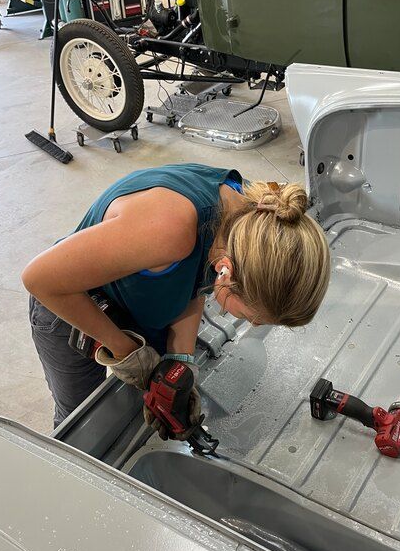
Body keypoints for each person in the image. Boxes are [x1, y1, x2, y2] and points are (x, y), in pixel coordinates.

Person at [22, 163, 330, 432]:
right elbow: (39, 280)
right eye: (253, 316)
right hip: (69, 308)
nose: (254, 324)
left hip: (132, 303)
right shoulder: (168, 230)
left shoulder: (253, 221)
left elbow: (195, 283)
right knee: (78, 423)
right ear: (227, 272)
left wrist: (180, 360)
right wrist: (127, 353)